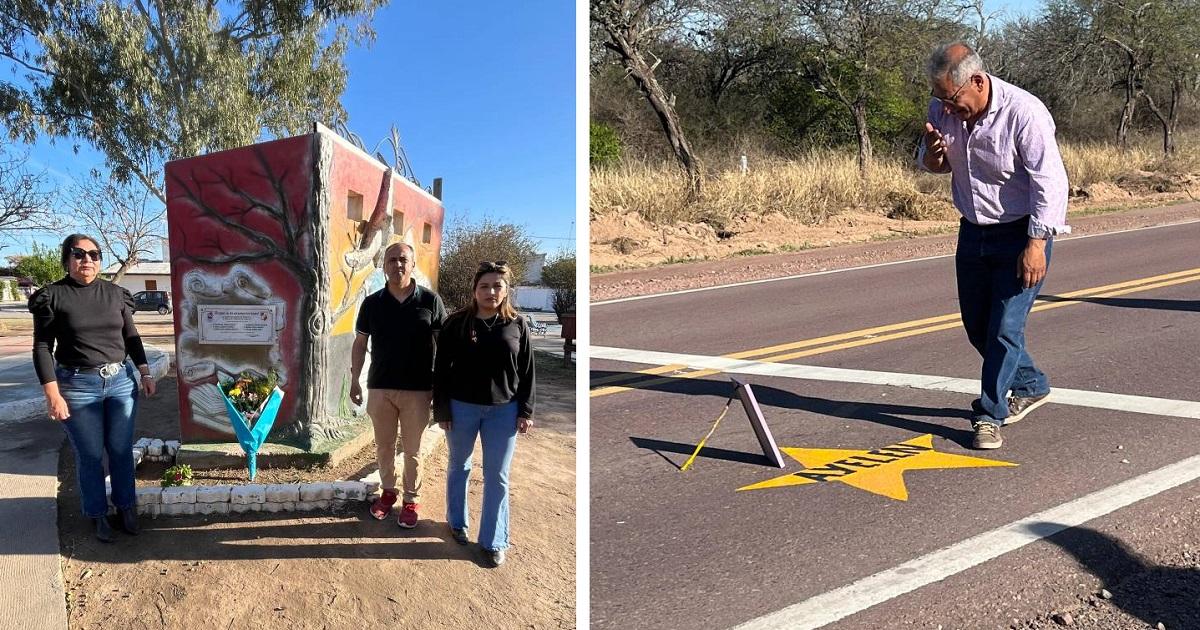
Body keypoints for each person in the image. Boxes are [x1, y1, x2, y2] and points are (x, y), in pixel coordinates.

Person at [918, 42, 1069, 450]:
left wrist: (1037, 243)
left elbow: (1050, 182)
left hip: (1022, 233)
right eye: (939, 100)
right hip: (973, 230)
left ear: (978, 82)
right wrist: (933, 157)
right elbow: (933, 165)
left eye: (951, 99)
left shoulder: (1025, 112)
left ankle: (989, 414)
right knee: (978, 326)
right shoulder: (942, 110)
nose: (946, 108)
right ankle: (1031, 383)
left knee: (1004, 327)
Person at [30, 234, 157, 542]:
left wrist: (144, 370)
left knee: (120, 450)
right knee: (89, 455)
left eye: (94, 254)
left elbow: (131, 336)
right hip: (76, 385)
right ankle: (97, 514)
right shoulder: (53, 296)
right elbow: (43, 347)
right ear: (66, 258)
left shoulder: (115, 294)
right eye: (79, 254)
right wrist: (53, 394)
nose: (87, 259)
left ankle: (126, 507)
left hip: (120, 383)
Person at [435, 261, 535, 567]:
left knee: (498, 476)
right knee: (459, 465)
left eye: (497, 286)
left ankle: (494, 540)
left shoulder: (517, 324)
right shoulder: (457, 323)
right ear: (474, 290)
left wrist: (525, 410)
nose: (491, 292)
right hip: (461, 408)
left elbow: (528, 370)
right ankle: (457, 523)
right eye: (485, 286)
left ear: (506, 291)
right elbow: (440, 369)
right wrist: (441, 408)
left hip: (503, 412)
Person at [350, 242, 447, 528]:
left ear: (413, 264)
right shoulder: (372, 303)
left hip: (418, 390)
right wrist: (355, 379)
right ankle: (388, 493)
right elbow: (359, 343)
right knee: (384, 446)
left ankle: (411, 500)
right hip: (380, 388)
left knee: (413, 450)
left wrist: (441, 384)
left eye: (403, 259)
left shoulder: (430, 301)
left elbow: (444, 347)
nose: (397, 265)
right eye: (391, 260)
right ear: (384, 266)